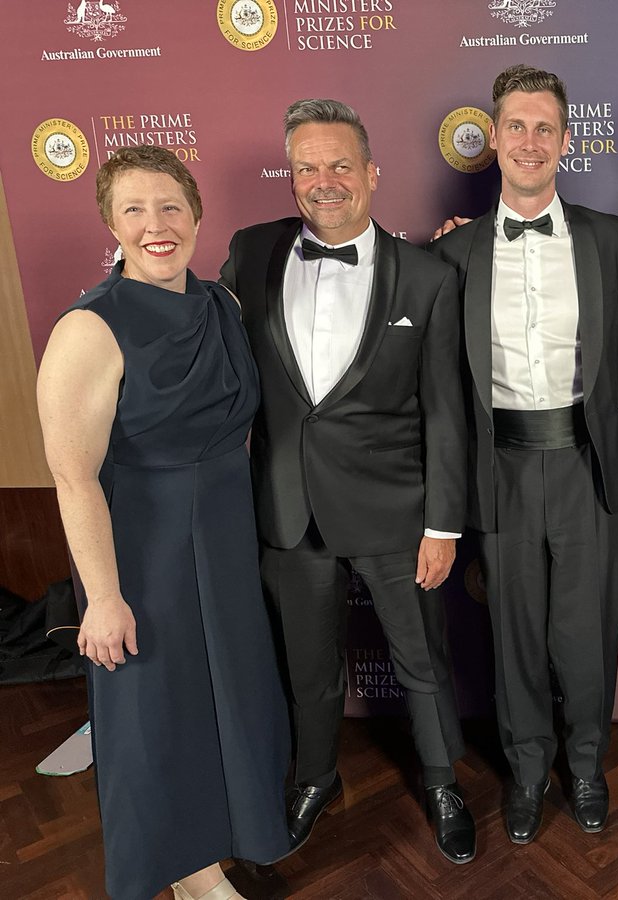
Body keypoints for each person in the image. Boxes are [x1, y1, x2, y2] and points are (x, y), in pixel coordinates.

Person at [219, 99, 476, 864]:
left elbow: (446, 412)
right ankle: (315, 776)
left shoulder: (428, 278)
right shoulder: (251, 252)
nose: (323, 181)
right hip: (288, 507)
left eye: (339, 165)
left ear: (371, 173)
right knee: (307, 663)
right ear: (290, 175)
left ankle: (441, 782)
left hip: (397, 510)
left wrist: (443, 524)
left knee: (421, 659)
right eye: (307, 167)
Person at [36, 146, 290, 900]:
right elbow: (72, 476)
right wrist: (104, 598)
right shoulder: (88, 329)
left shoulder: (223, 304)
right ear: (111, 224)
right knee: (158, 712)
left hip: (224, 532)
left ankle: (227, 838)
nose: (157, 225)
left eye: (171, 207)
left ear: (198, 215)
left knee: (230, 698)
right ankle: (189, 874)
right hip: (142, 549)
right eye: (135, 210)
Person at [429, 64, 618, 844]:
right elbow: (442, 388)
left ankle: (586, 764)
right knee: (515, 630)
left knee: (586, 631)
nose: (529, 141)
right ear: (492, 137)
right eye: (515, 125)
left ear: (564, 140)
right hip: (502, 469)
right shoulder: (450, 257)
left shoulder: (613, 240)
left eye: (544, 127)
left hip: (589, 465)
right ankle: (526, 769)